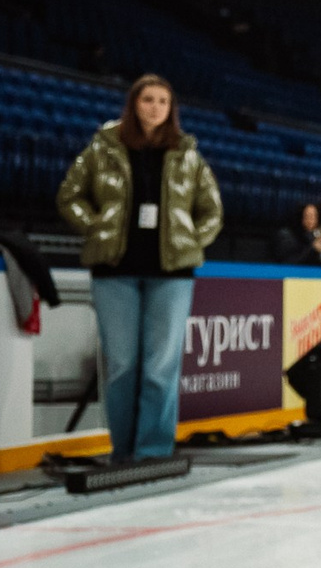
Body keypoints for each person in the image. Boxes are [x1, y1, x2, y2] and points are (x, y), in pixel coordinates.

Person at [55, 74, 223, 462]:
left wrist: (191, 241)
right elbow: (70, 196)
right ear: (134, 104)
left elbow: (212, 211)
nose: (155, 108)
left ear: (171, 109)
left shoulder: (187, 152)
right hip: (115, 271)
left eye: (163, 101)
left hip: (172, 274)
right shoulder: (102, 147)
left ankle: (153, 452)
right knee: (121, 367)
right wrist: (96, 227)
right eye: (148, 99)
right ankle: (123, 452)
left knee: (160, 367)